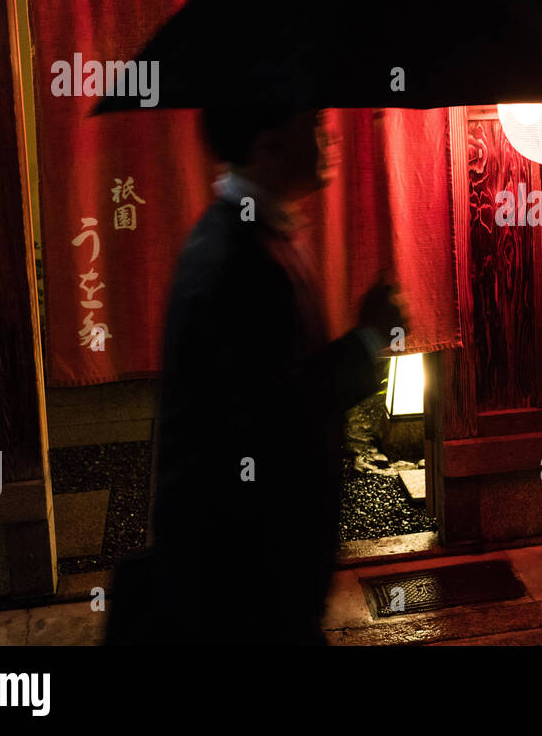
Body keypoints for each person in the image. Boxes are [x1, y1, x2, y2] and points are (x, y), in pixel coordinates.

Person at [109, 101, 405, 646]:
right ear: (269, 141)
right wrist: (367, 340)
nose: (329, 137)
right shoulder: (236, 255)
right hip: (241, 589)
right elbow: (274, 415)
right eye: (313, 122)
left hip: (254, 580)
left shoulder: (255, 235)